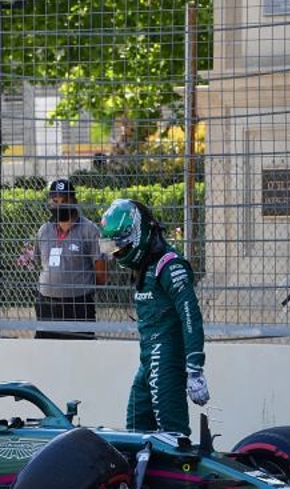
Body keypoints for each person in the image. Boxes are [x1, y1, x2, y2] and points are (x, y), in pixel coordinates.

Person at [99, 198, 207, 436]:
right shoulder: (145, 264)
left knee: (172, 433)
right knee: (136, 425)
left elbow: (191, 316)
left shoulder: (170, 266)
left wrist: (195, 368)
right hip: (148, 357)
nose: (118, 253)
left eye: (122, 247)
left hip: (166, 356)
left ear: (138, 234)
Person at [18, 178, 106, 339]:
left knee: (80, 352)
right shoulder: (44, 230)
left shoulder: (89, 230)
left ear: (74, 201)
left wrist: (81, 290)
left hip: (78, 305)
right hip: (46, 304)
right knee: (46, 352)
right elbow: (41, 263)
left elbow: (101, 274)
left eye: (64, 200)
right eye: (55, 200)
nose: (59, 205)